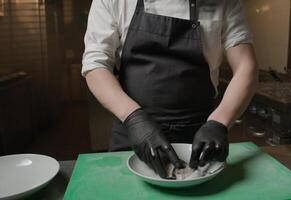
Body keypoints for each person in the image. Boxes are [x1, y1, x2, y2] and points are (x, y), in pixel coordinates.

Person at [82, 0, 258, 178]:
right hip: (133, 133)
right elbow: (95, 65)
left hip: (199, 139)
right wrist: (134, 118)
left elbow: (246, 66)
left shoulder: (225, 3)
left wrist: (219, 123)